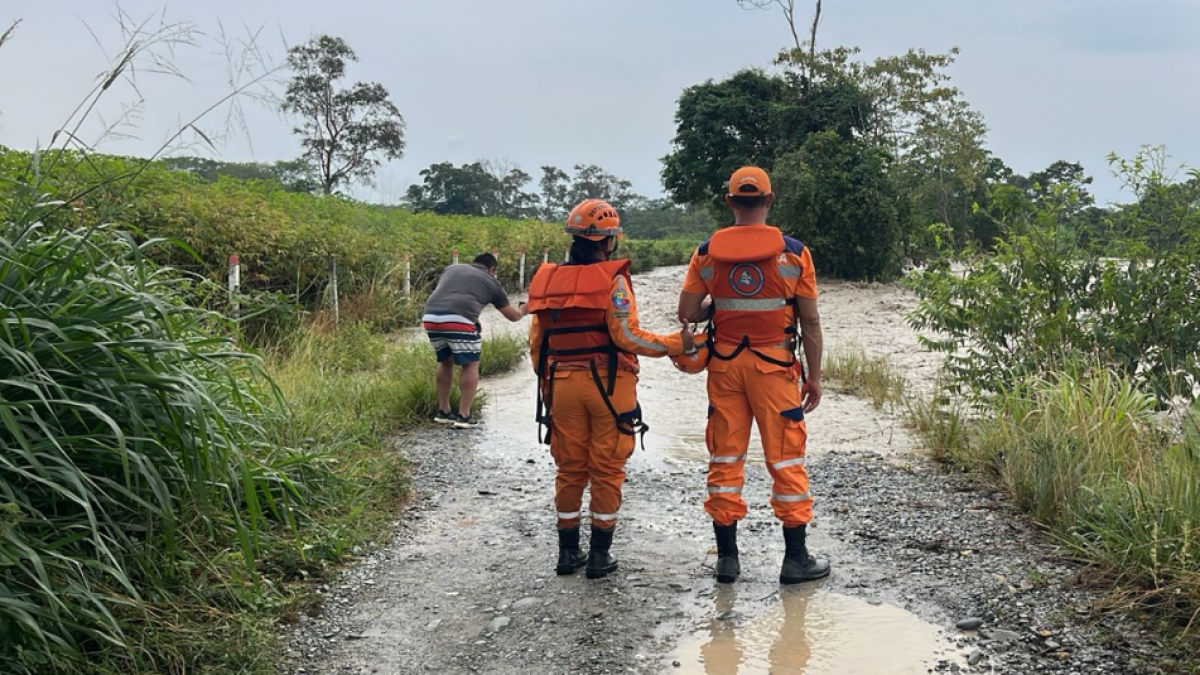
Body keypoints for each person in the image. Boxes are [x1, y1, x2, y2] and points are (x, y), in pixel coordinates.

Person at [677, 166, 830, 585]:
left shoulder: (706, 253)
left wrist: (717, 307)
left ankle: (728, 560)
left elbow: (687, 314)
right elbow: (811, 323)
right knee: (786, 459)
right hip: (776, 370)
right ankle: (795, 560)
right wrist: (813, 378)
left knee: (725, 459)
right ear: (769, 200)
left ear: (730, 202)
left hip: (724, 367)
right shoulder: (795, 253)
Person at [527, 199, 695, 579]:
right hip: (609, 384)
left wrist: (547, 386)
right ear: (609, 241)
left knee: (570, 468)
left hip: (561, 383)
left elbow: (537, 344)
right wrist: (675, 345)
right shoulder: (613, 279)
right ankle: (600, 557)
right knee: (606, 468)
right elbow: (628, 335)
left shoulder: (547, 280)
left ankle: (568, 554)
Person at [423, 252, 525, 429]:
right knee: (470, 365)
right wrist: (527, 309)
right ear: (492, 269)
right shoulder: (491, 281)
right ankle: (464, 415)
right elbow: (512, 316)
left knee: (445, 361)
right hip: (459, 320)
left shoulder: (451, 269)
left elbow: (456, 294)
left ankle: (444, 411)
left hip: (430, 316)